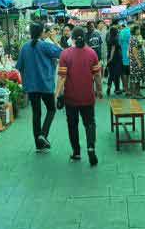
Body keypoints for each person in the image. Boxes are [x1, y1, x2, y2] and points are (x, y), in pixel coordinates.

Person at [55, 27, 103, 166]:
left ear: (73, 39)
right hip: (88, 97)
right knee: (89, 123)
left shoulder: (65, 54)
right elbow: (97, 76)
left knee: (72, 125)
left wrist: (57, 94)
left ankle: (76, 152)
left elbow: (62, 78)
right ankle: (91, 147)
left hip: (71, 99)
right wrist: (99, 91)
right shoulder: (92, 53)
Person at [15, 22, 63, 152]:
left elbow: (19, 67)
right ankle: (43, 134)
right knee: (51, 110)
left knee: (36, 114)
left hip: (31, 86)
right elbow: (62, 53)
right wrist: (53, 39)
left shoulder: (24, 47)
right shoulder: (45, 46)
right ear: (42, 32)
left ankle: (38, 145)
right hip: (46, 84)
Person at [128, 25, 145, 99]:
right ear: (135, 30)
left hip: (135, 61)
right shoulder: (134, 39)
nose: (139, 31)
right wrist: (138, 62)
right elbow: (134, 51)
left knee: (136, 77)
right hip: (136, 61)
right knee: (136, 78)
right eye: (138, 29)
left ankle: (136, 93)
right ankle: (136, 93)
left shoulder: (133, 38)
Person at [106, 26, 123, 95]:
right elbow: (113, 49)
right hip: (116, 58)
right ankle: (117, 89)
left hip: (110, 57)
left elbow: (110, 49)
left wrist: (109, 59)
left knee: (111, 74)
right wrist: (111, 58)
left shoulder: (109, 38)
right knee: (117, 74)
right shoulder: (115, 39)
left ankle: (109, 87)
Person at [118, 22, 132, 95]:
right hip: (130, 55)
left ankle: (125, 88)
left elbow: (119, 44)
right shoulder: (130, 32)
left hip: (123, 56)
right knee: (129, 73)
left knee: (124, 73)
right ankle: (129, 88)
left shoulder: (121, 32)